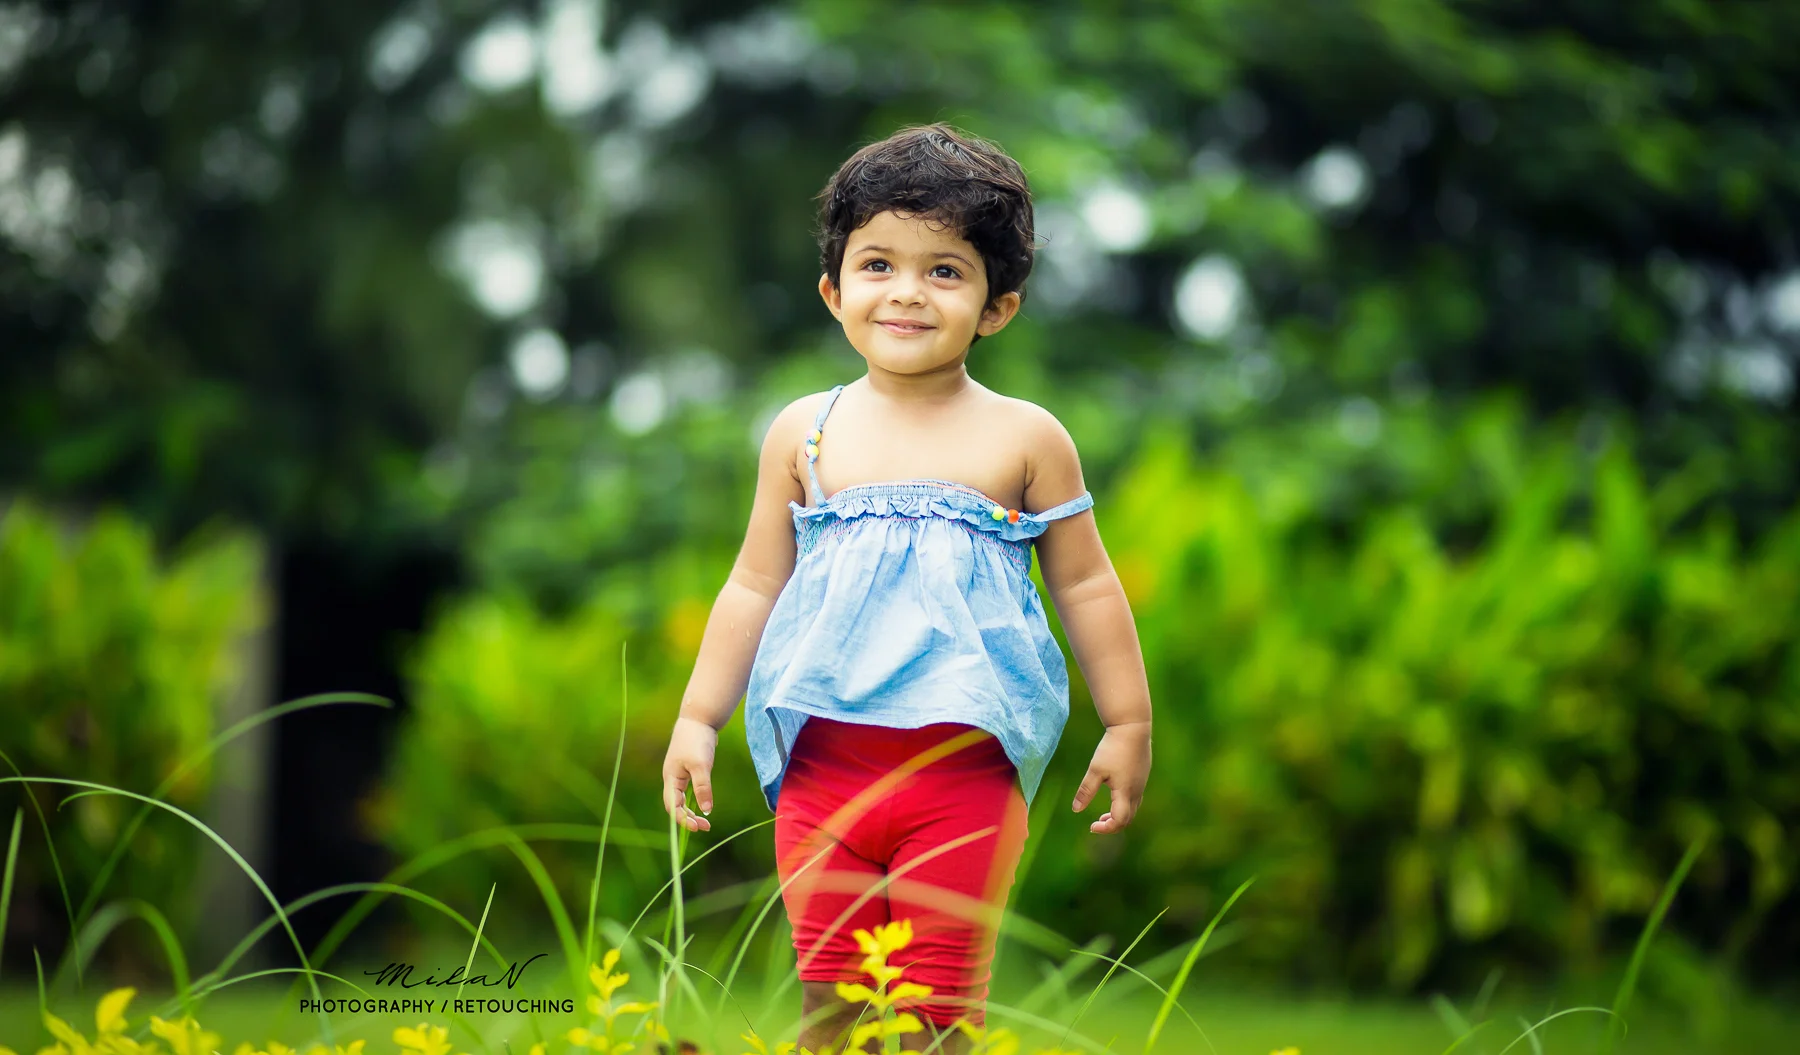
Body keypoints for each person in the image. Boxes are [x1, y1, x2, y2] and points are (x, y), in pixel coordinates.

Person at [660, 122, 1153, 1054]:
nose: (906, 292)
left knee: (934, 1016)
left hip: (964, 771)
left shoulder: (1025, 438)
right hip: (822, 772)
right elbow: (755, 581)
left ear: (997, 306)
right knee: (833, 1009)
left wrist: (1128, 724)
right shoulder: (805, 431)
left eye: (945, 271)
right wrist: (698, 717)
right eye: (879, 262)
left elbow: (1087, 584)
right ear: (833, 288)